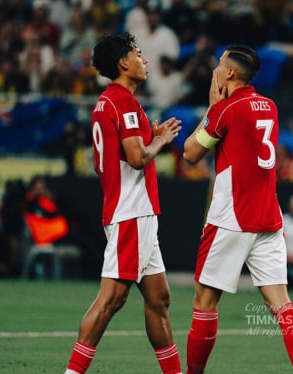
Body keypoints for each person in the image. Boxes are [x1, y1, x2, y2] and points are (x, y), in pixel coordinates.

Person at [183, 45, 293, 374]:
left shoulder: (227, 109)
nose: (214, 70)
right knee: (281, 304)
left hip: (232, 218)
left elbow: (190, 153)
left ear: (230, 73)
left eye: (218, 65)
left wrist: (212, 108)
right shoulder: (269, 106)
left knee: (204, 301)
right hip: (268, 217)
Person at [63, 32, 183, 374]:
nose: (144, 60)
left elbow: (126, 149)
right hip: (131, 212)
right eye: (138, 54)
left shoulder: (109, 101)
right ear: (123, 63)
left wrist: (150, 136)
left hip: (134, 211)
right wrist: (158, 141)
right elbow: (136, 158)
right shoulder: (124, 102)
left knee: (159, 300)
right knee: (111, 300)